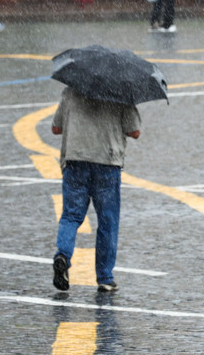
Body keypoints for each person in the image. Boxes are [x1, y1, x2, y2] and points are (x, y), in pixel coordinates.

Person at [51, 87, 141, 293]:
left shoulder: (70, 91)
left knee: (71, 217)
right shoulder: (121, 93)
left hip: (75, 160)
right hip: (107, 162)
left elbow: (56, 128)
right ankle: (105, 277)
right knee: (107, 221)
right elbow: (134, 131)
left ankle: (63, 255)